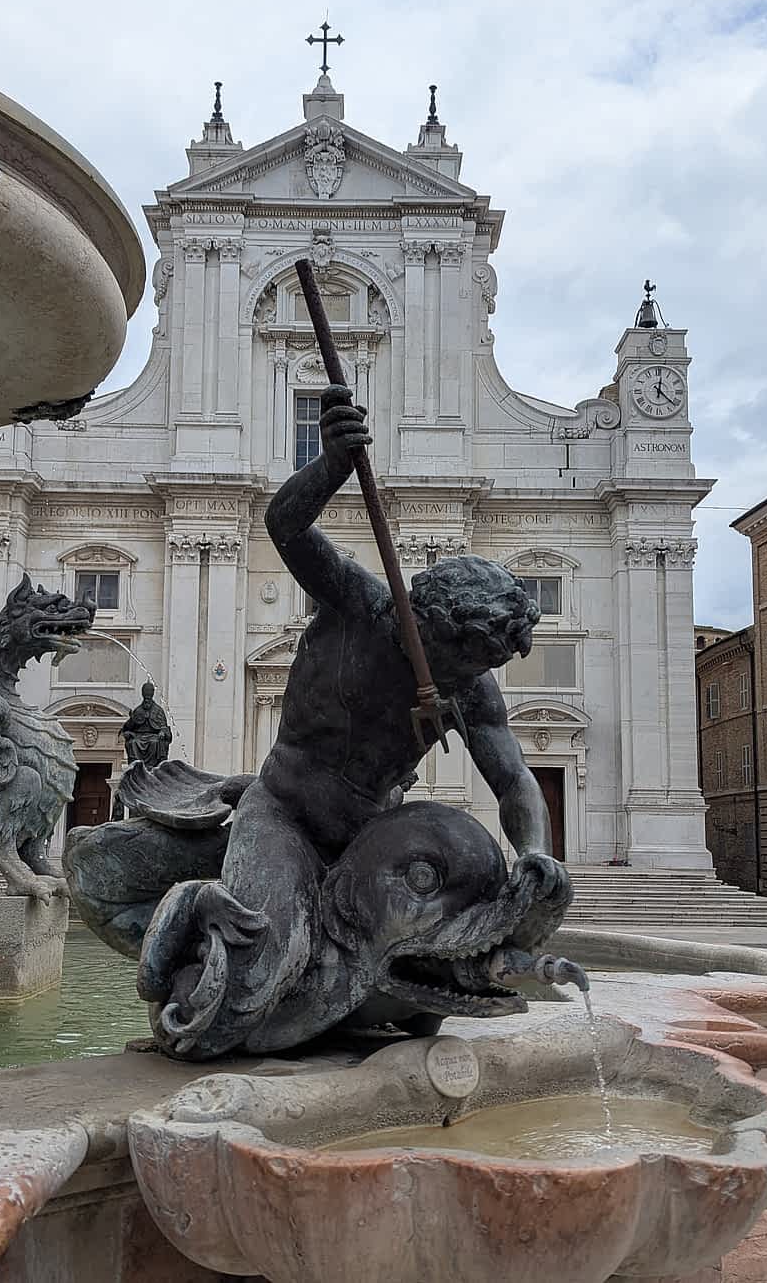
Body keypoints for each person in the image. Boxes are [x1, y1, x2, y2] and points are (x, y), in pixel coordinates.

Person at [179, 384, 565, 1049]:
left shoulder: (471, 687)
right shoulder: (361, 606)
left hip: (372, 835)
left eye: (486, 665)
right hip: (288, 811)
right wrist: (330, 466)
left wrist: (535, 853)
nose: (474, 677)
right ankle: (189, 905)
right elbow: (286, 528)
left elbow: (514, 782)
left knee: (451, 962)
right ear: (433, 626)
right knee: (255, 981)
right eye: (468, 659)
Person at [122, 682, 172, 768]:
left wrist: (162, 732)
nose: (147, 701)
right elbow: (128, 727)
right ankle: (137, 767)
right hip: (139, 736)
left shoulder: (158, 710)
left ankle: (151, 767)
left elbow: (164, 727)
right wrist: (132, 720)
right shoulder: (137, 710)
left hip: (153, 736)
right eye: (146, 692)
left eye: (149, 692)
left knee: (154, 742)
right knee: (133, 743)